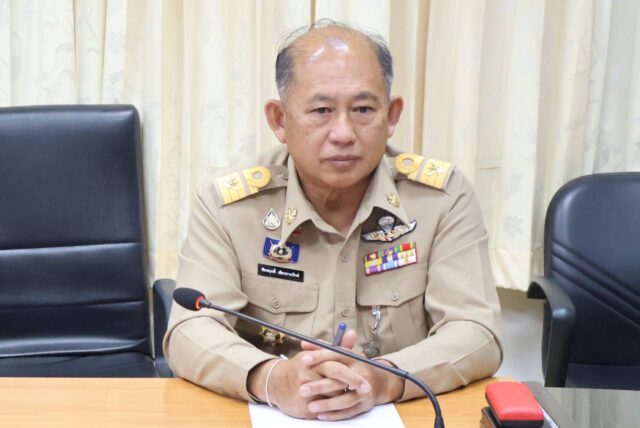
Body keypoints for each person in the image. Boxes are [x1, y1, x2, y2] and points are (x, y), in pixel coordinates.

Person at [164, 20, 502, 421]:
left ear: (392, 115)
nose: (343, 133)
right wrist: (272, 379)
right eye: (321, 110)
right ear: (279, 120)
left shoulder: (441, 199)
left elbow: (476, 331)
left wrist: (385, 378)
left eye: (363, 110)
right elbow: (190, 329)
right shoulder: (230, 208)